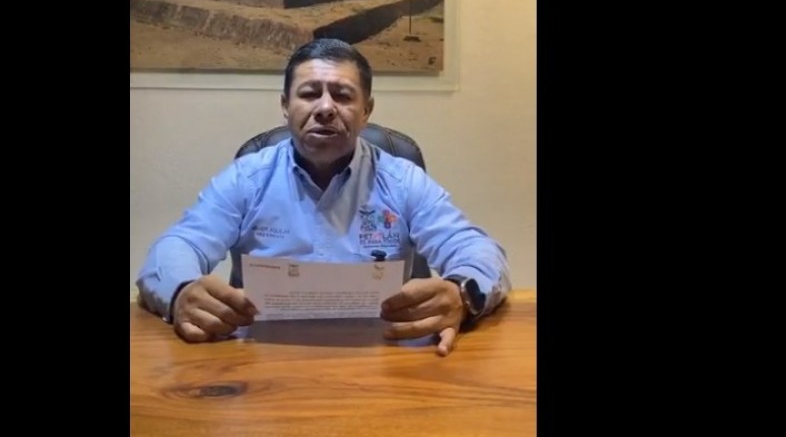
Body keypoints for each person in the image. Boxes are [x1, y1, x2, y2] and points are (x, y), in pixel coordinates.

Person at [136, 38, 511, 356]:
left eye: (343, 96)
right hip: (263, 360)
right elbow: (175, 247)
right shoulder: (247, 179)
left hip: (383, 357)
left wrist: (463, 294)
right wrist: (182, 291)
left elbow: (477, 250)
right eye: (310, 93)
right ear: (286, 106)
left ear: (366, 111)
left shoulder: (402, 181)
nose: (326, 108)